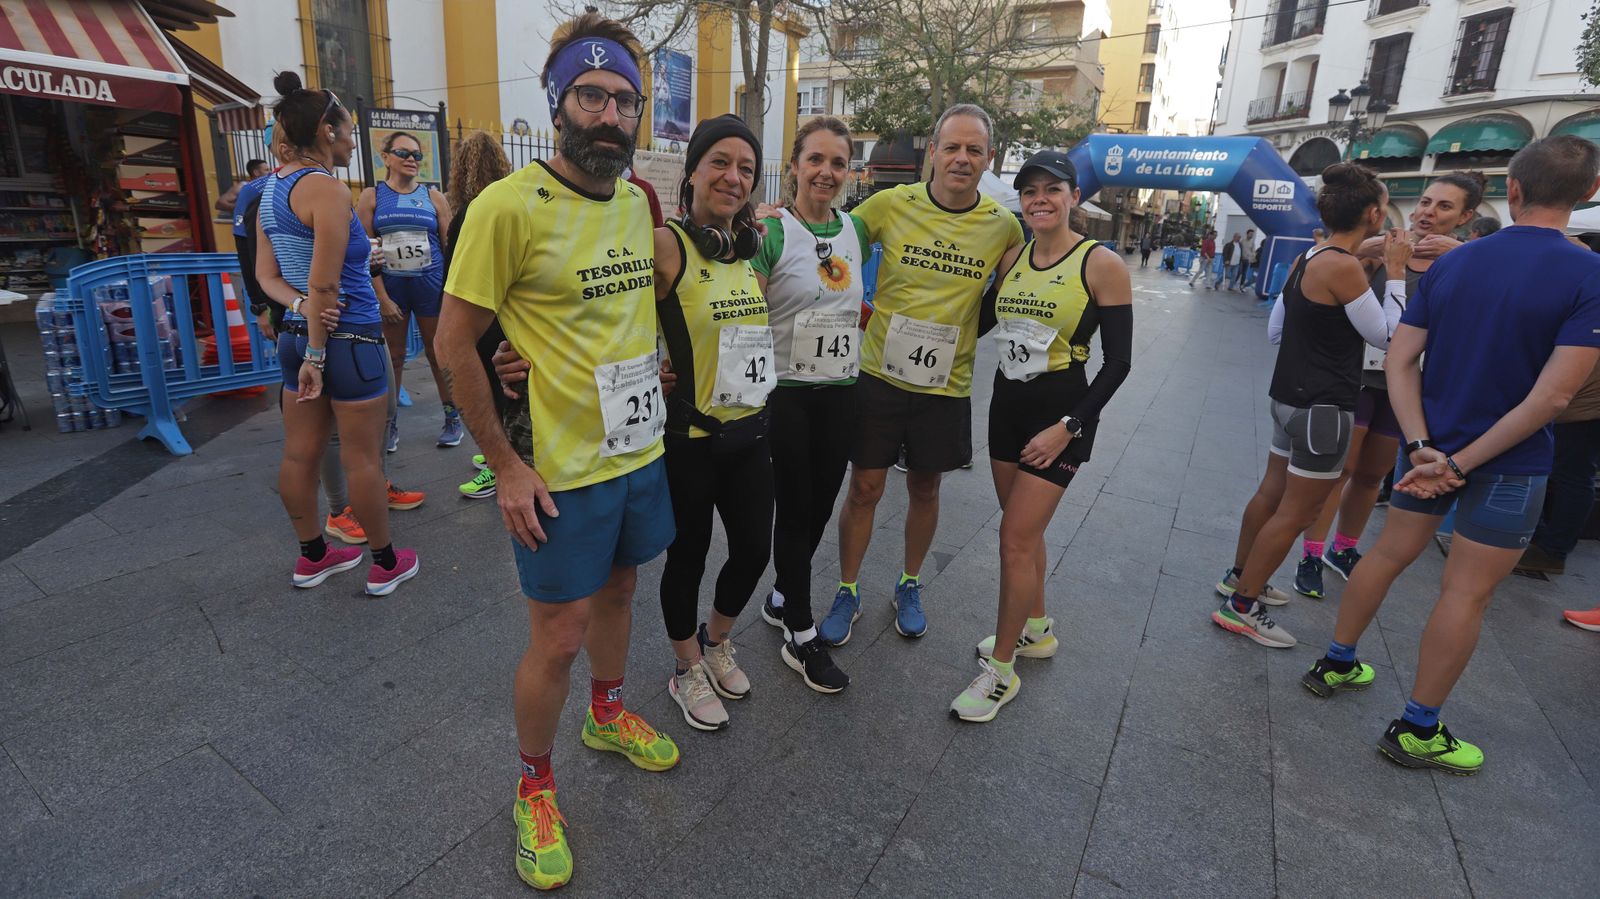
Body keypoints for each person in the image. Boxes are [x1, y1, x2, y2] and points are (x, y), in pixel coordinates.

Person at [432, 15, 679, 890]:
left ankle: (607, 716)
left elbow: (624, 308)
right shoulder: (505, 207)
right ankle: (533, 784)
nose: (609, 114)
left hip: (635, 451)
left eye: (625, 101)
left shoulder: (637, 202)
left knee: (621, 588)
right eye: (592, 95)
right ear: (558, 101)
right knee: (559, 636)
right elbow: (453, 341)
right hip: (556, 470)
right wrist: (503, 463)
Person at [1302, 136, 1600, 774]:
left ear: (1512, 191)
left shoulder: (1455, 265)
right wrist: (1461, 465)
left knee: (1384, 555)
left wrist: (1421, 446)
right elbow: (1554, 397)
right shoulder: (1589, 275)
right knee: (1464, 594)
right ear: (1590, 193)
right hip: (1511, 464)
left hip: (1428, 447)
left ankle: (1336, 660)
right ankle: (1417, 729)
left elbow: (1401, 358)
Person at [821, 103, 1024, 645]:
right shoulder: (891, 203)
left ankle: (909, 582)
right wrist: (778, 220)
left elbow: (1020, 290)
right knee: (864, 487)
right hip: (879, 377)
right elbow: (826, 246)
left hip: (946, 386)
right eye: (951, 147)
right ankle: (847, 587)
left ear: (989, 160)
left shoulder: (1003, 227)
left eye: (973, 150)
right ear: (931, 152)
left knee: (926, 488)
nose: (961, 158)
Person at [950, 150, 1133, 722]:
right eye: (1030, 192)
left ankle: (1000, 672)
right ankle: (1037, 629)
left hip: (1061, 419)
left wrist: (1069, 427)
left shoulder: (1101, 263)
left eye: (1053, 190)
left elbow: (1118, 364)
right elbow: (975, 323)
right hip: (1006, 409)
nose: (1041, 200)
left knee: (1013, 540)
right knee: (1024, 535)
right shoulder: (1012, 259)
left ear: (1074, 197)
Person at [1214, 163, 1409, 649]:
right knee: (1299, 513)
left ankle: (1239, 576)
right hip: (1325, 409)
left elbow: (1275, 330)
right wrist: (1398, 274)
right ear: (1372, 213)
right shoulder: (1343, 267)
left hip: (1287, 399)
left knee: (1271, 493)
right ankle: (1242, 605)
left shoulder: (1312, 256)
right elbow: (1387, 335)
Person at [254, 72, 419, 596]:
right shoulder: (325, 189)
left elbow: (268, 277)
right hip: (346, 341)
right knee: (362, 458)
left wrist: (301, 311)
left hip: (294, 334)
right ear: (327, 131)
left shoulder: (270, 189)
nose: (352, 141)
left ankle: (313, 556)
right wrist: (318, 357)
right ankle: (385, 562)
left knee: (299, 453)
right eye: (348, 131)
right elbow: (325, 282)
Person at [1291, 173, 1484, 600]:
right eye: (1427, 202)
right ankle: (1311, 554)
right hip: (1356, 378)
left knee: (1372, 475)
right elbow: (1325, 265)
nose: (1429, 212)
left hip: (1408, 390)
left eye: (1444, 207)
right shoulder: (1380, 250)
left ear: (1467, 216)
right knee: (1339, 472)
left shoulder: (1464, 263)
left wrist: (1465, 254)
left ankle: (1343, 549)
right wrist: (1365, 250)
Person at [650, 115, 775, 730]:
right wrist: (650, 366)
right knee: (689, 558)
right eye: (720, 162)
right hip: (690, 440)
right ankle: (685, 667)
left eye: (746, 168)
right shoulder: (666, 244)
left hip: (749, 433)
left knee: (755, 548)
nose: (733, 176)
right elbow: (599, 316)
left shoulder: (747, 254)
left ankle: (717, 639)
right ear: (693, 170)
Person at [752, 116, 866, 693]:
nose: (826, 172)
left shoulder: (855, 229)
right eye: (815, 160)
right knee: (795, 511)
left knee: (821, 506)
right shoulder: (772, 232)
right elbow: (739, 307)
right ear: (794, 164)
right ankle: (800, 628)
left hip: (841, 393)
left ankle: (780, 595)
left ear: (849, 171)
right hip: (787, 395)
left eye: (838, 163)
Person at [358, 132, 457, 452]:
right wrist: (381, 298)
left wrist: (449, 293)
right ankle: (390, 425)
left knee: (438, 353)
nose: (412, 159)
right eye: (403, 152)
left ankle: (452, 416)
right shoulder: (372, 197)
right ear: (385, 157)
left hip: (430, 287)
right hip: (392, 289)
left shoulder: (434, 197)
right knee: (394, 357)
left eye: (418, 155)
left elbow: (449, 247)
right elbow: (364, 252)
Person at [439, 131, 513, 500]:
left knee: (489, 390)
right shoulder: (512, 206)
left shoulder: (470, 213)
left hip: (482, 318)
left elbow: (453, 277)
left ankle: (498, 463)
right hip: (509, 318)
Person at [1518, 362, 1600, 576]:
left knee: (1572, 477)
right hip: (1573, 404)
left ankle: (1553, 551)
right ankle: (1541, 540)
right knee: (1560, 474)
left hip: (1583, 409)